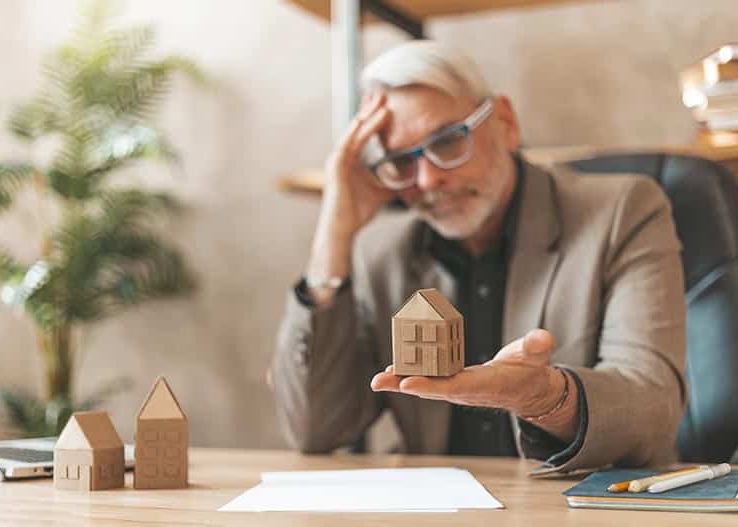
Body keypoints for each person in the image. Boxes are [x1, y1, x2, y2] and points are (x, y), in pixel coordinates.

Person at [271, 41, 686, 474]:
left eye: (447, 142)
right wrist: (333, 234)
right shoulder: (383, 252)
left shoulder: (623, 211)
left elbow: (653, 408)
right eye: (401, 161)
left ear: (505, 123)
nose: (428, 180)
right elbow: (314, 429)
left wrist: (547, 399)